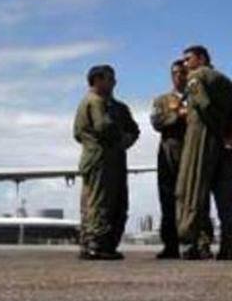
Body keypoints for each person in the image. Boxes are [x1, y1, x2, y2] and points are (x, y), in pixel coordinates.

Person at [73, 65, 139, 260]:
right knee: (99, 203)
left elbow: (134, 130)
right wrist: (120, 139)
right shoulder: (94, 102)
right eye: (110, 79)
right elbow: (102, 126)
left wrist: (124, 141)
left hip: (111, 159)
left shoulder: (116, 106)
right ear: (98, 80)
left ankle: (103, 244)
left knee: (114, 202)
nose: (114, 82)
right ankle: (96, 244)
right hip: (101, 159)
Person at [151, 60, 213, 258]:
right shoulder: (162, 100)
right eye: (175, 73)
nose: (179, 76)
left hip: (194, 151)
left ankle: (201, 244)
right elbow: (156, 121)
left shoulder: (198, 96)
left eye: (183, 72)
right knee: (168, 200)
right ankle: (171, 245)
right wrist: (177, 115)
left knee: (198, 199)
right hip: (170, 153)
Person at [175, 45, 232, 261]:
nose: (185, 64)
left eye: (188, 59)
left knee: (190, 189)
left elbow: (204, 105)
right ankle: (228, 245)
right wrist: (226, 134)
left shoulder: (196, 77)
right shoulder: (224, 80)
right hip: (224, 144)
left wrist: (215, 129)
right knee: (225, 197)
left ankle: (190, 244)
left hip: (202, 137)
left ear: (201, 58)